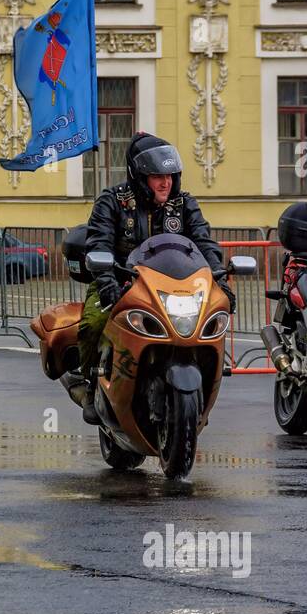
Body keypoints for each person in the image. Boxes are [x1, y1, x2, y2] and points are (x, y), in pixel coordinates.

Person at [76, 133, 226, 424]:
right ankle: (91, 383)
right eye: (157, 176)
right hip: (122, 281)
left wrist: (220, 280)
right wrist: (107, 283)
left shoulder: (184, 204)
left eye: (170, 175)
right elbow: (99, 244)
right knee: (94, 321)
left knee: (208, 325)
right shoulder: (113, 201)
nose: (165, 182)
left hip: (176, 289)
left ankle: (205, 384)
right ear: (140, 176)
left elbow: (204, 243)